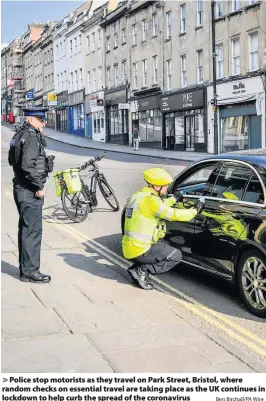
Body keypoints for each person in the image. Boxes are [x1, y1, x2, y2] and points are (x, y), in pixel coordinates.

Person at [122, 168, 205, 290]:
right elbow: (173, 214)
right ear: (156, 186)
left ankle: (136, 269)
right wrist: (194, 211)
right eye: (164, 186)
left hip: (129, 246)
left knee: (160, 245)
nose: (166, 189)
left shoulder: (139, 195)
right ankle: (142, 271)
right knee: (176, 255)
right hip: (141, 248)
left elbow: (159, 206)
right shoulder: (151, 200)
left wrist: (175, 198)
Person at [8, 107, 55, 283]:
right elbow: (28, 166)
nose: (44, 123)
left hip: (20, 187)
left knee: (26, 230)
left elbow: (12, 161)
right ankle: (31, 272)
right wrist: (38, 186)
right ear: (30, 120)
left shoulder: (19, 135)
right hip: (29, 190)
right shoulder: (31, 137)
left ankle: (25, 270)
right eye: (40, 120)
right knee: (32, 232)